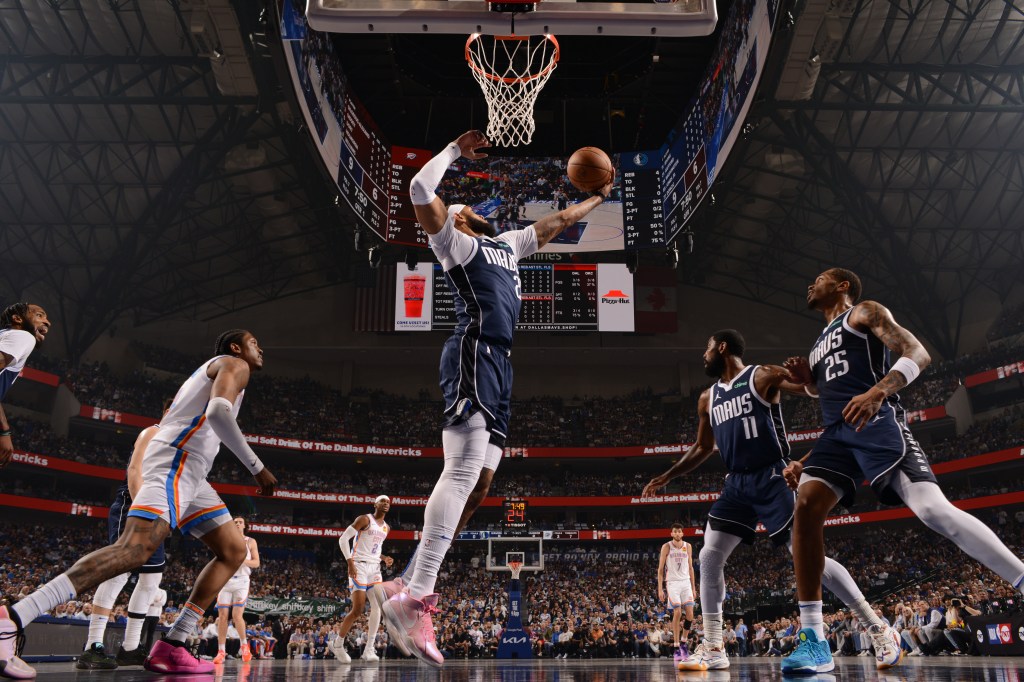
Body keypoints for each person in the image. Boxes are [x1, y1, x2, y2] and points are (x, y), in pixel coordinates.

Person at [381, 130, 613, 667]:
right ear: (459, 220)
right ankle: (416, 598)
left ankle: (409, 578)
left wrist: (599, 198)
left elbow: (558, 222)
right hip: (473, 352)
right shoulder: (455, 244)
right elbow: (419, 187)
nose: (471, 212)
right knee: (460, 474)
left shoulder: (508, 246)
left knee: (482, 483)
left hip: (502, 365)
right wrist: (455, 153)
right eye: (464, 208)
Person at [781, 268, 1024, 674]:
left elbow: (918, 353)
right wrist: (809, 384)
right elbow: (833, 389)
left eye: (820, 278)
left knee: (932, 511)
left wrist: (878, 391)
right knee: (803, 511)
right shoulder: (818, 343)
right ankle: (814, 641)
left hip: (875, 421)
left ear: (842, 286)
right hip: (836, 433)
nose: (810, 284)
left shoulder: (863, 313)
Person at [0, 330, 278, 677]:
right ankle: (13, 618)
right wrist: (258, 468)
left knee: (234, 550)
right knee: (134, 550)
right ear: (237, 347)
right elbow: (219, 414)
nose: (260, 347)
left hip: (192, 473)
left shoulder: (220, 369)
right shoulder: (235, 364)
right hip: (177, 461)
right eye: (254, 342)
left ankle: (172, 646)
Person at [642, 329, 902, 673]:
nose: (702, 356)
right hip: (736, 484)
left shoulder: (761, 374)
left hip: (773, 477)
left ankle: (878, 628)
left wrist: (807, 378)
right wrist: (669, 475)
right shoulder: (708, 398)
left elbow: (810, 389)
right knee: (708, 554)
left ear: (722, 347)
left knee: (809, 558)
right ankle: (714, 645)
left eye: (706, 348)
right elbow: (705, 447)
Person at [78, 400, 173, 670]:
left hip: (158, 514)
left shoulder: (180, 446)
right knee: (118, 573)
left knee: (151, 580)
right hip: (136, 507)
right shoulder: (153, 432)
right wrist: (141, 510)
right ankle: (92, 647)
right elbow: (134, 471)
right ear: (166, 412)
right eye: (174, 409)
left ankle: (130, 648)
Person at [335, 495, 394, 663]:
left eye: (388, 502)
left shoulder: (386, 528)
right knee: (358, 609)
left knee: (378, 607)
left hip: (375, 568)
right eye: (383, 501)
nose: (386, 503)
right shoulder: (364, 519)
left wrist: (384, 558)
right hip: (358, 565)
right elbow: (343, 539)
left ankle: (369, 649)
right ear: (375, 504)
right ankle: (338, 644)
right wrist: (350, 562)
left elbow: (374, 549)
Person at [0, 302, 50, 467]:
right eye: (39, 315)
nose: (47, 322)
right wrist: (4, 430)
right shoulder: (24, 336)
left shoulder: (5, 335)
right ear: (17, 319)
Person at [212, 517, 260, 664]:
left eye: (240, 522)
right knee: (222, 616)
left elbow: (256, 563)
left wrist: (241, 561)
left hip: (242, 580)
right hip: (226, 579)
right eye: (235, 522)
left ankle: (244, 645)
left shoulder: (250, 541)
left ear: (245, 525)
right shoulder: (225, 539)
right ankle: (221, 651)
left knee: (237, 615)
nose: (237, 523)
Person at [656, 524, 696, 665]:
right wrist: (660, 589)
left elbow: (691, 567)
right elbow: (660, 569)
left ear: (682, 533)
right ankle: (676, 646)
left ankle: (684, 644)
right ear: (671, 533)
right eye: (675, 531)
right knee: (678, 612)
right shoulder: (666, 546)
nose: (678, 533)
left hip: (685, 582)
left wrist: (693, 587)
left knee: (690, 614)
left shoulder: (688, 546)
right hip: (672, 582)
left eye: (680, 531)